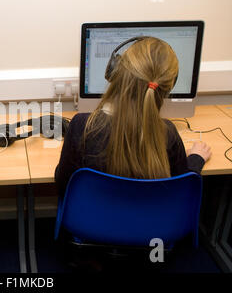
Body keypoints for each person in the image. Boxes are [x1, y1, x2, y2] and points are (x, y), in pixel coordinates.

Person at [55, 37, 211, 199]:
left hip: (88, 223)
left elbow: (63, 187)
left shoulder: (83, 126)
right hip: (151, 223)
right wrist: (195, 160)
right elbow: (182, 190)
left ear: (115, 73)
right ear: (168, 87)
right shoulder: (168, 134)